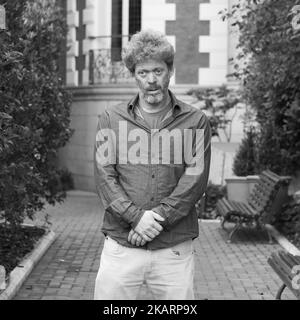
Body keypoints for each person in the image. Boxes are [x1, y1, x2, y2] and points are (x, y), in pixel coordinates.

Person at [93, 29, 211, 300]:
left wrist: (153, 222)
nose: (151, 80)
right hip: (122, 247)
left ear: (170, 71)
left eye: (157, 71)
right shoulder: (111, 119)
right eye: (143, 73)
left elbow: (196, 179)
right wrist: (136, 218)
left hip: (173, 250)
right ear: (133, 75)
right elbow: (104, 178)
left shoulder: (196, 121)